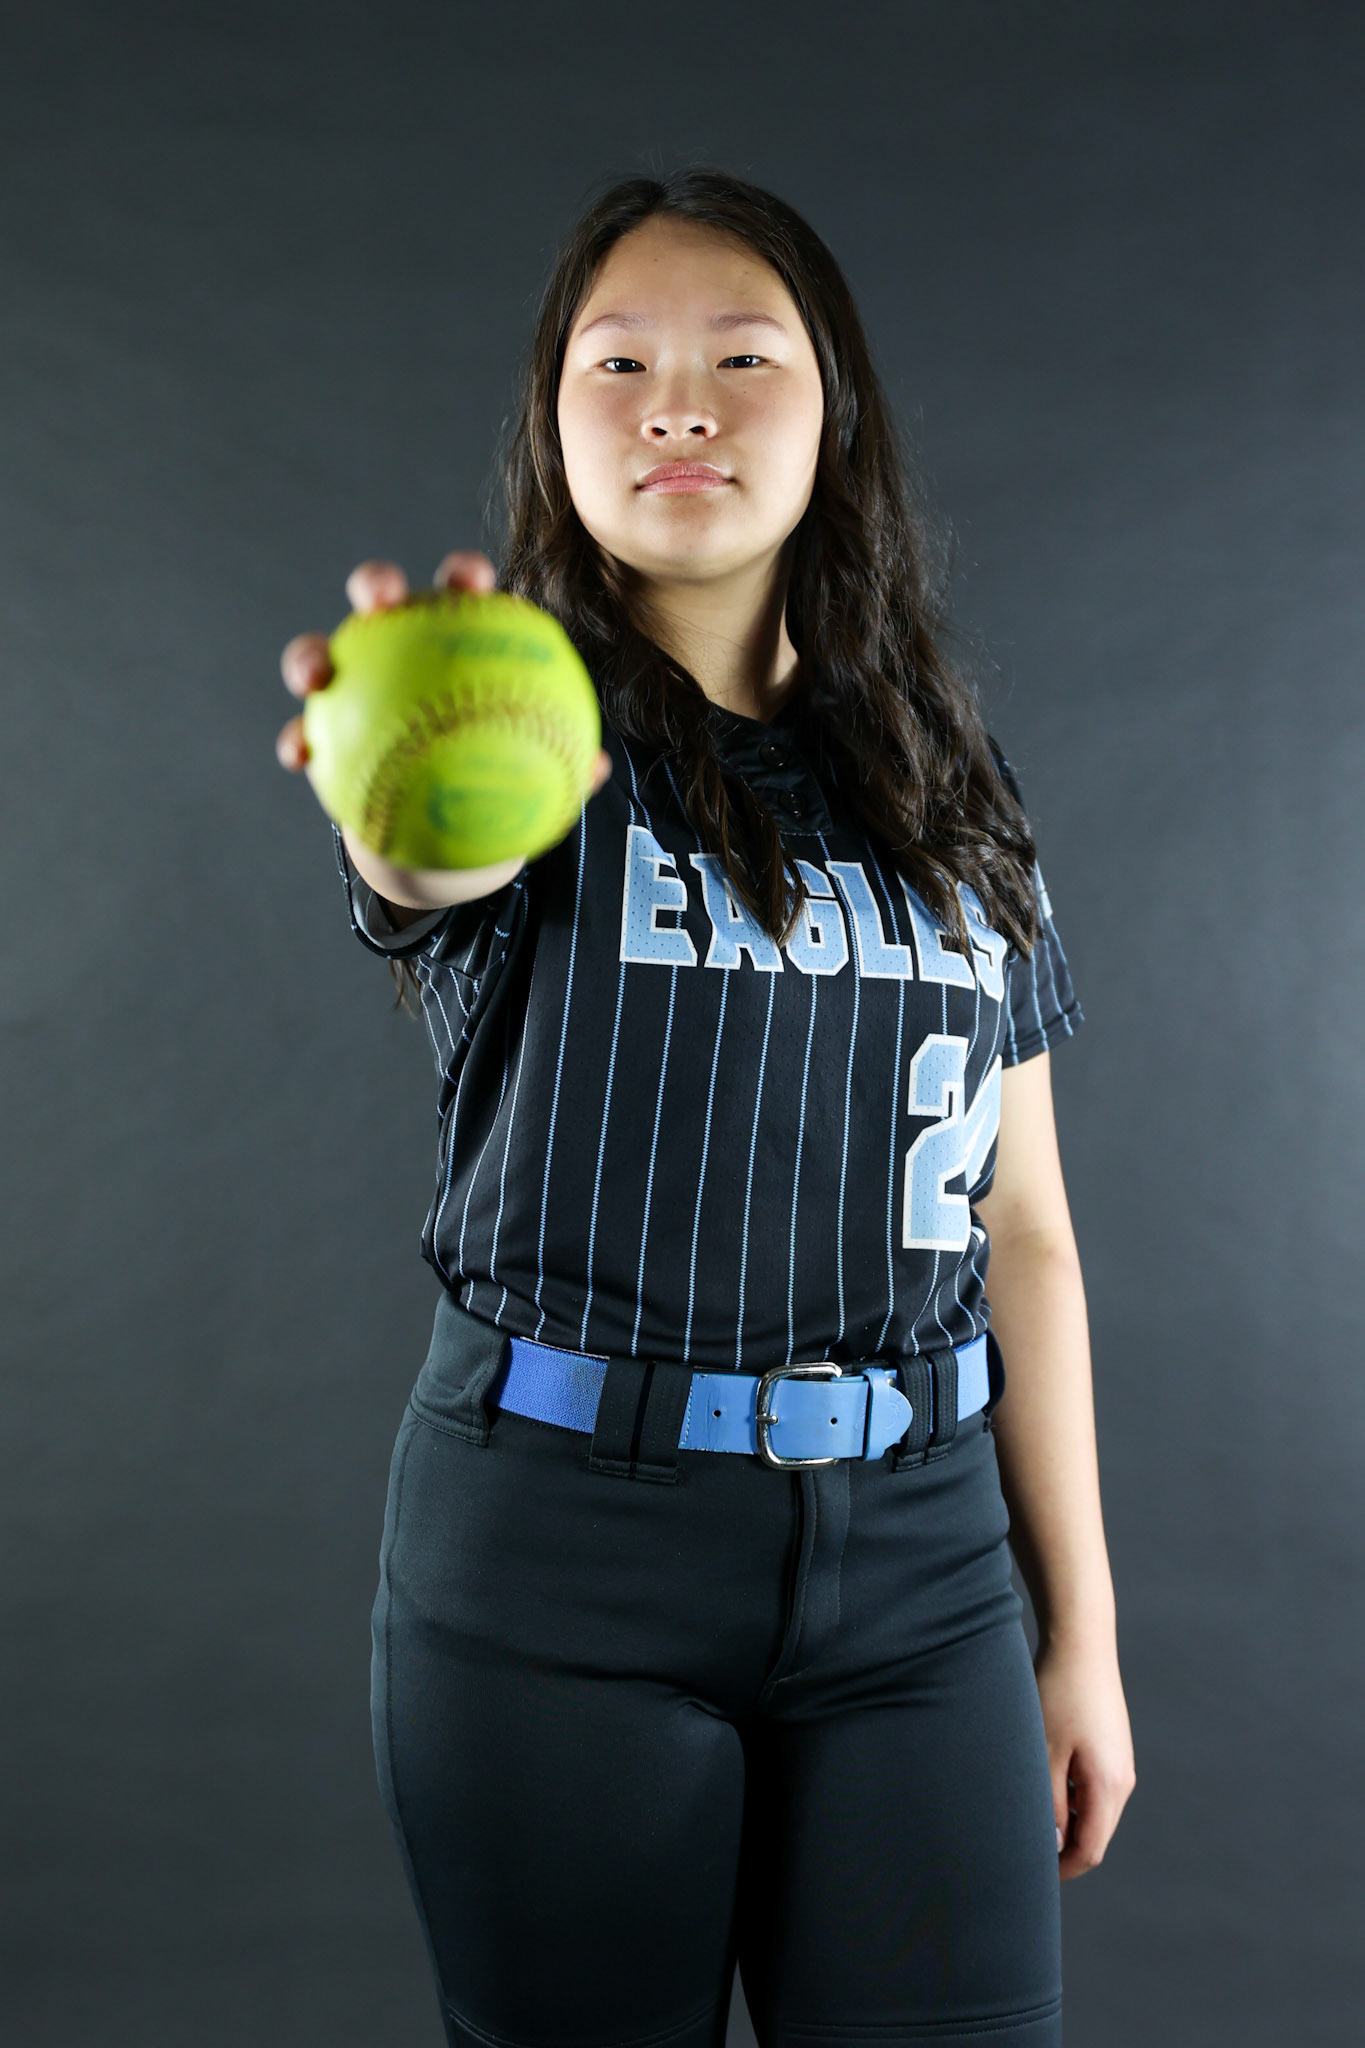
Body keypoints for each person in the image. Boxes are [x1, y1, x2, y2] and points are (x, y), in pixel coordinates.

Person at [276, 166, 1135, 2048]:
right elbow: (421, 872)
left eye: (745, 356)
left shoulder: (946, 777)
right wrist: (397, 790)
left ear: (835, 416)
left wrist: (1078, 1629)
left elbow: (1026, 1231)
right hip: (562, 1554)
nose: (681, 400)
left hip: (920, 1569)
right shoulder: (518, 729)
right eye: (620, 361)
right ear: (553, 420)